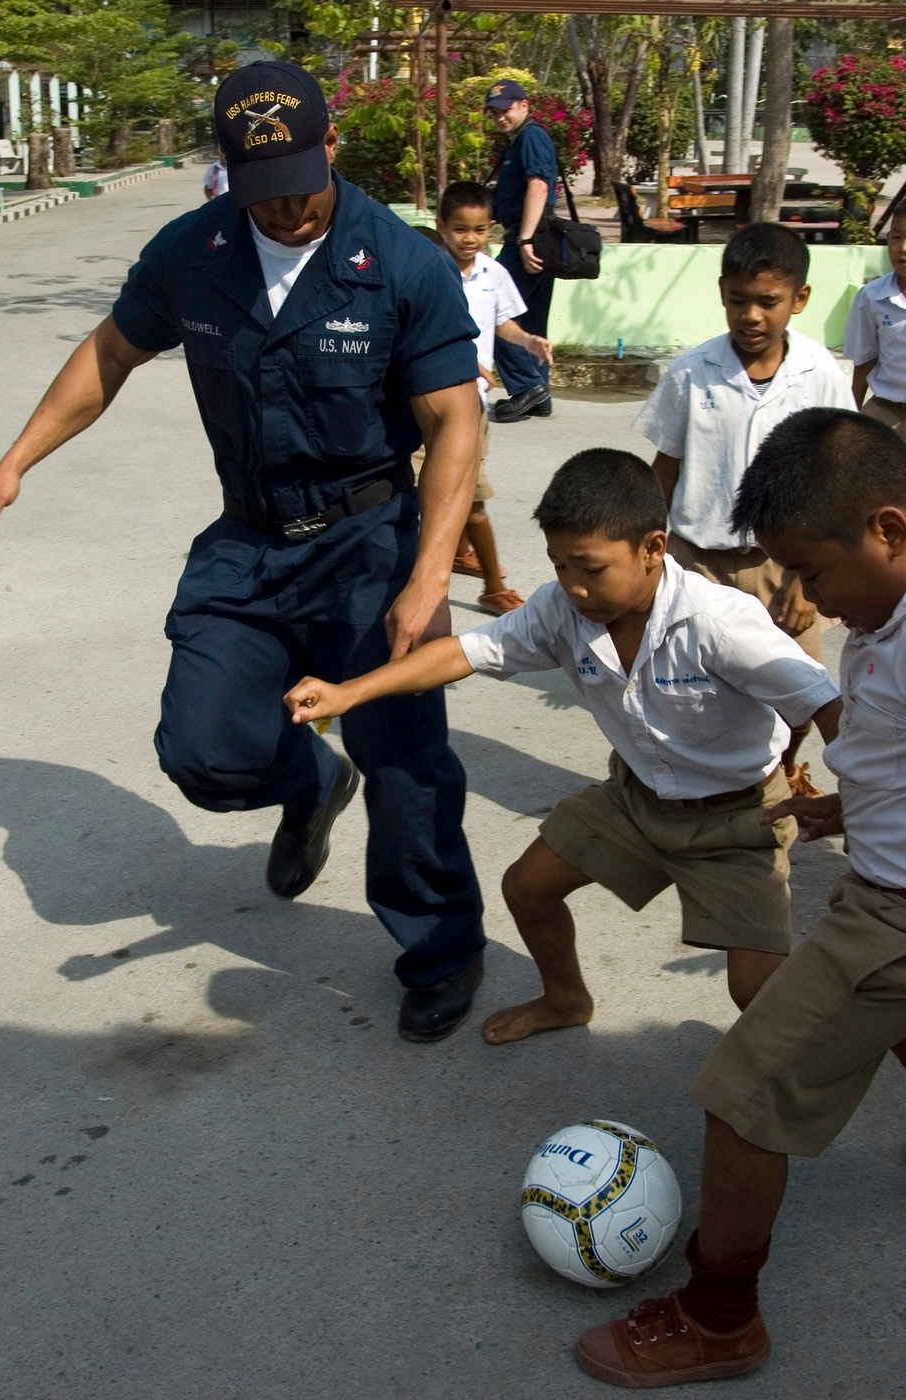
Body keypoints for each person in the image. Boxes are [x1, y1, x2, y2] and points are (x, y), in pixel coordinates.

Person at [0, 60, 488, 1044]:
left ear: (332, 146)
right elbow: (113, 350)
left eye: (298, 181)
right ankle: (308, 782)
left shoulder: (401, 264)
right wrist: (15, 460)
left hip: (371, 536)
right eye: (259, 188)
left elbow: (455, 420)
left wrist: (426, 575)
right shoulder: (194, 250)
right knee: (202, 749)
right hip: (248, 536)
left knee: (406, 758)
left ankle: (442, 950)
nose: (281, 209)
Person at [283, 448, 841, 1042]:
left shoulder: (721, 623)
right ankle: (566, 999)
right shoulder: (561, 610)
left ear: (654, 548)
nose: (572, 587)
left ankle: (812, 1065)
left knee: (754, 992)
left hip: (737, 819)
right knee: (528, 887)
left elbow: (828, 702)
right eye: (558, 566)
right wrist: (348, 692)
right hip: (636, 799)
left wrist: (854, 801)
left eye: (590, 567)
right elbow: (464, 653)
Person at [574, 407, 906, 1389]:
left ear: (889, 527)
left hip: (891, 916)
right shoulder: (886, 611)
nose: (804, 595)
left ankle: (720, 1315)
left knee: (741, 1093)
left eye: (813, 568)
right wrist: (853, 806)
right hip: (879, 871)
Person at [635, 223, 856, 799]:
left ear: (799, 301)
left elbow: (837, 479)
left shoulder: (819, 374)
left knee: (803, 688)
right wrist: (645, 548)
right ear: (722, 294)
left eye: (769, 302)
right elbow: (667, 467)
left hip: (780, 568)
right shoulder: (692, 371)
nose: (752, 316)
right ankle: (696, 784)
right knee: (683, 685)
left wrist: (806, 583)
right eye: (738, 300)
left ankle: (782, 770)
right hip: (695, 559)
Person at [437, 180, 554, 616]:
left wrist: (527, 342)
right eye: (460, 230)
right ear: (441, 226)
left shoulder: (493, 274)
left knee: (468, 496)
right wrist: (464, 360)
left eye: (479, 230)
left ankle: (475, 568)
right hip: (432, 399)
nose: (470, 240)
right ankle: (491, 582)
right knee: (463, 498)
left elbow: (501, 322)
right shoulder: (427, 268)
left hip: (474, 404)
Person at [484, 79, 558, 424]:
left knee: (494, 308)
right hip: (533, 236)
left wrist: (525, 239)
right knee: (530, 317)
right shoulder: (518, 141)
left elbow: (539, 186)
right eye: (494, 112)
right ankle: (539, 393)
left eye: (506, 109)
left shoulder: (531, 136)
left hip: (531, 238)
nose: (500, 117)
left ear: (524, 105)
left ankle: (528, 385)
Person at [844, 198, 906, 437]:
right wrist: (849, 420)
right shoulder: (872, 296)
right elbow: (863, 364)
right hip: (885, 413)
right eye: (896, 237)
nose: (902, 248)